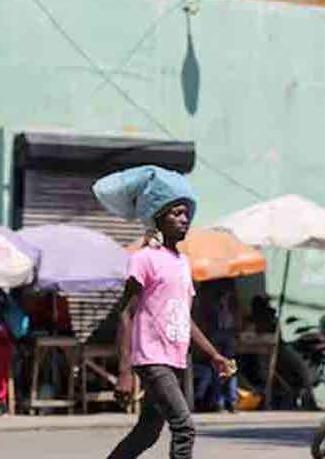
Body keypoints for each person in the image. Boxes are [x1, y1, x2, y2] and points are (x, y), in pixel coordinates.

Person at [99, 165, 234, 459]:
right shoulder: (145, 259)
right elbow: (125, 313)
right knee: (184, 427)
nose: (184, 219)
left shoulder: (182, 263)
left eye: (187, 213)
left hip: (175, 359)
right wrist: (124, 371)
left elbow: (184, 318)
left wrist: (214, 355)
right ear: (158, 217)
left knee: (147, 431)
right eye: (176, 213)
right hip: (152, 359)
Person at [194, 284, 239, 413]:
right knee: (219, 369)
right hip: (217, 335)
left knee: (229, 368)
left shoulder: (232, 304)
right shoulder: (212, 304)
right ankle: (220, 402)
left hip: (226, 334)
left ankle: (230, 401)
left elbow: (236, 319)